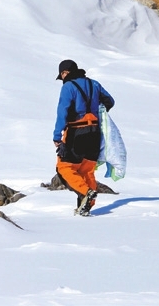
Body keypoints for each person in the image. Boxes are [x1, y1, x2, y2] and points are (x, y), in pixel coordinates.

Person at [53, 59, 115, 216]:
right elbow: (110, 101)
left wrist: (57, 136)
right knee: (86, 170)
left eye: (62, 75)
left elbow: (62, 111)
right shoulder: (94, 84)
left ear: (65, 73)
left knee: (64, 168)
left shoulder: (68, 87)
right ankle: (86, 205)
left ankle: (86, 193)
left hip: (76, 132)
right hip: (95, 132)